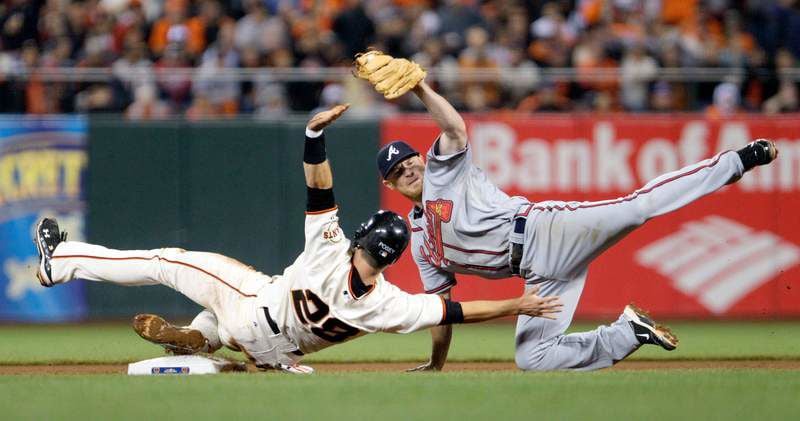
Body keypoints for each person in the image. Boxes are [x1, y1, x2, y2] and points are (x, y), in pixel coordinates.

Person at [33, 104, 562, 374]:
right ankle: (203, 344)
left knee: (165, 261)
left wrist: (313, 134)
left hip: (256, 304)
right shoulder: (388, 305)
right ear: (395, 256)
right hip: (279, 355)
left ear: (361, 238)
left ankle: (59, 261)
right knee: (224, 330)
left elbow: (318, 186)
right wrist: (521, 302)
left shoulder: (331, 250)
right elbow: (456, 314)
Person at [374, 80, 778, 372]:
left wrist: (420, 87)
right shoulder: (422, 245)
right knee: (532, 358)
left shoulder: (445, 172)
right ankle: (627, 333)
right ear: (389, 184)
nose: (408, 167)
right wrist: (436, 363)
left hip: (543, 230)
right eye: (397, 169)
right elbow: (442, 311)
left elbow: (455, 129)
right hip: (539, 275)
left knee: (639, 207)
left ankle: (737, 161)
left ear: (423, 160)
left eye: (410, 159)